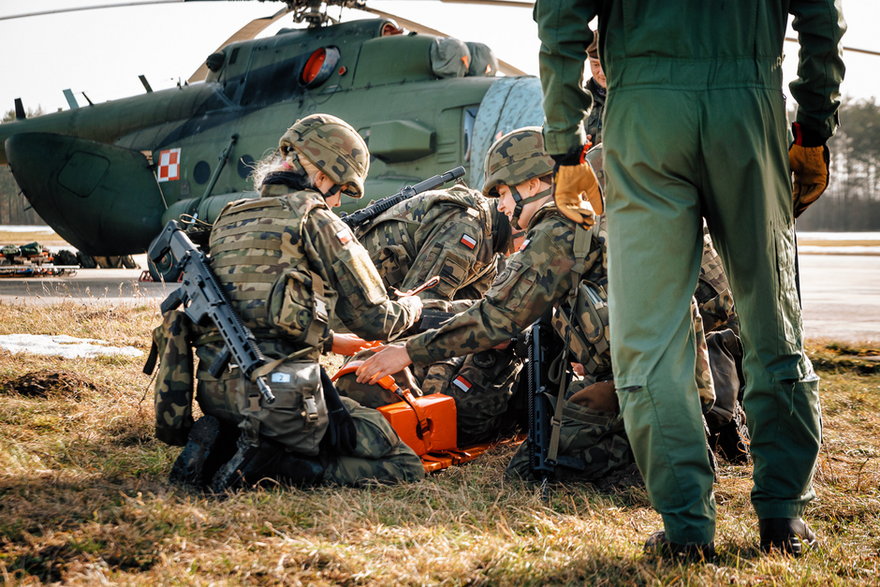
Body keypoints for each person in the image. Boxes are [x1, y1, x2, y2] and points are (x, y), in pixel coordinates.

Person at [535, 0, 845, 558]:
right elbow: (821, 15)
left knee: (650, 341)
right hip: (748, 106)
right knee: (772, 324)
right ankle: (783, 516)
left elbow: (560, 19)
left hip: (644, 120)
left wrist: (564, 143)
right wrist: (815, 126)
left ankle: (687, 529)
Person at [154, 113, 426, 492]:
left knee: (274, 424)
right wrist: (415, 306)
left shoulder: (230, 217)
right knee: (404, 464)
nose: (335, 202)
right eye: (339, 191)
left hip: (216, 392)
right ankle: (275, 465)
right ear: (323, 177)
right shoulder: (316, 220)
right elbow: (376, 319)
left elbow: (255, 308)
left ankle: (229, 444)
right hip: (282, 400)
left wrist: (330, 341)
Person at [353, 186, 512, 301]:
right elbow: (423, 304)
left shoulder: (489, 252)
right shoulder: (466, 226)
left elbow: (472, 311)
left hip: (377, 306)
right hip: (352, 299)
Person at [584, 31, 606, 146]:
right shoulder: (575, 103)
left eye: (606, 64)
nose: (602, 73)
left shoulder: (637, 102)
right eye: (596, 65)